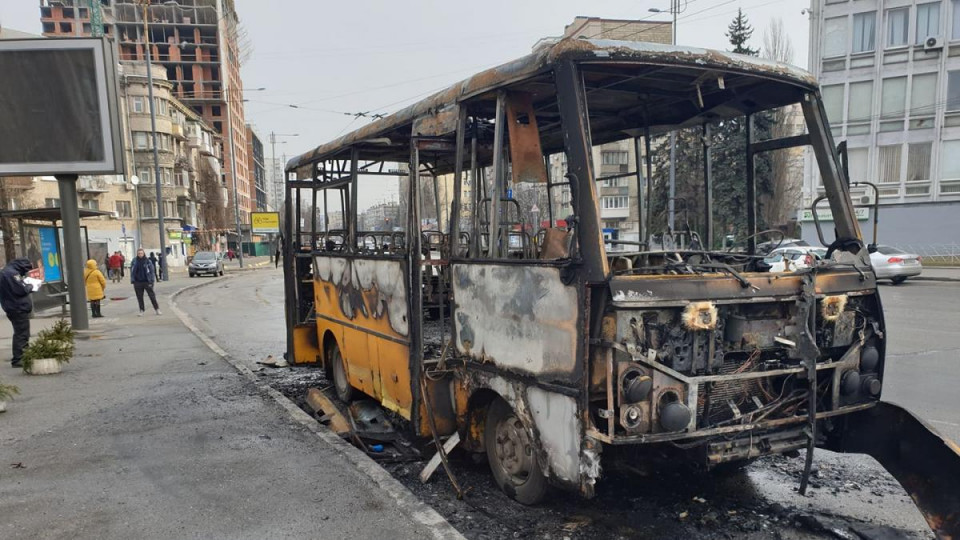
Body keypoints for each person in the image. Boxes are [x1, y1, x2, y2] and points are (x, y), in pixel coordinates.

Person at [0, 258, 36, 368]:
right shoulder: (12, 274)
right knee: (22, 334)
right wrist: (31, 286)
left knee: (20, 333)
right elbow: (20, 290)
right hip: (18, 307)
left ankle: (22, 356)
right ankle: (19, 358)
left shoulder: (6, 272)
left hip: (12, 307)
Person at [131, 248, 161, 316]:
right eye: (139, 253)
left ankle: (157, 309)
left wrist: (152, 281)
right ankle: (141, 310)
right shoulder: (135, 261)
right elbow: (132, 271)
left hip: (147, 281)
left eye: (141, 253)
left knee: (152, 296)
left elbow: (152, 272)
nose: (140, 255)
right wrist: (133, 280)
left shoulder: (148, 261)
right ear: (137, 254)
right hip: (138, 282)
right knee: (139, 297)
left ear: (143, 253)